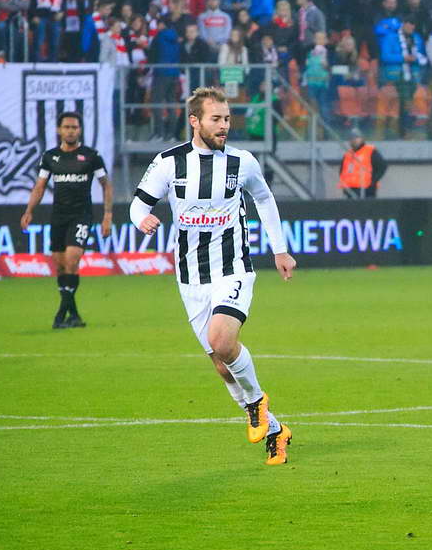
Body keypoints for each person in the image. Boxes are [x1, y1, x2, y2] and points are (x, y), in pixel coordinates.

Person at [129, 87, 298, 465]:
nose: (224, 126)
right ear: (195, 121)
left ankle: (256, 402)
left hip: (233, 266)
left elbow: (264, 199)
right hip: (190, 276)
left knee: (222, 340)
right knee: (222, 365)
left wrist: (280, 249)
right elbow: (139, 202)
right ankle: (274, 430)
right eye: (216, 119)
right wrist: (141, 218)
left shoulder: (242, 162)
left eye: (226, 118)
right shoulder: (169, 163)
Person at [19, 112, 112, 328]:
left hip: (81, 216)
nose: (71, 131)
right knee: (60, 266)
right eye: (67, 127)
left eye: (75, 127)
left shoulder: (91, 156)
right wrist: (29, 210)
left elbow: (106, 185)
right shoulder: (50, 157)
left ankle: (60, 314)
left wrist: (107, 215)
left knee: (72, 260)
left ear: (80, 130)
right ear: (59, 130)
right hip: (58, 216)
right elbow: (40, 186)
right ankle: (74, 315)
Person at [339, 129, 387, 199]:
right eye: (352, 138)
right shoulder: (347, 154)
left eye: (356, 137)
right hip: (349, 190)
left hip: (366, 190)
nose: (354, 140)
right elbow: (342, 171)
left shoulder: (370, 151)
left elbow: (382, 167)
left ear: (362, 139)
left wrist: (373, 182)